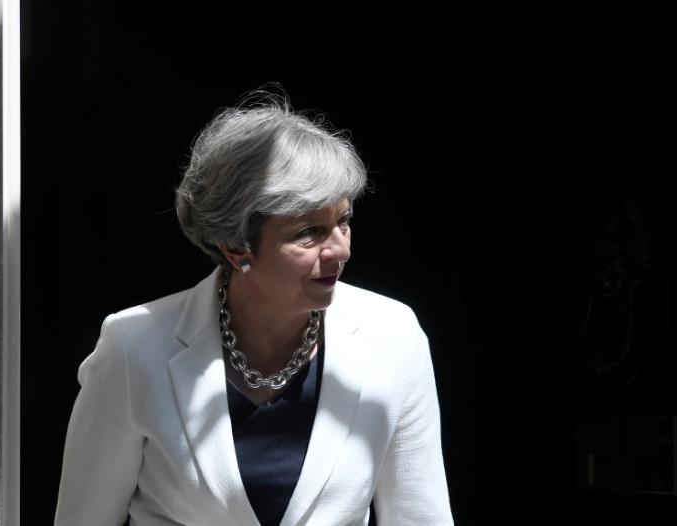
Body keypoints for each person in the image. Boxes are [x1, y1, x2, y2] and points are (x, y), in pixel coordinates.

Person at [54, 83, 454, 525]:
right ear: (235, 247)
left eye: (344, 222)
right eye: (310, 232)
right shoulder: (133, 347)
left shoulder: (393, 336)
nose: (340, 250)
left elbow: (421, 517)